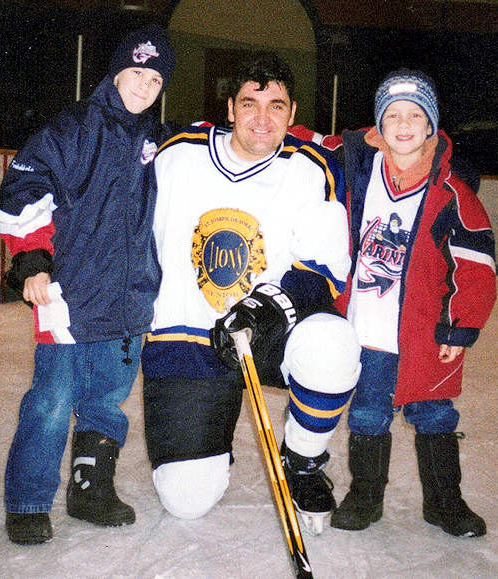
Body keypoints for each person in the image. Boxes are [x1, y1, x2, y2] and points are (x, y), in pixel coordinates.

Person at [141, 53, 361, 535]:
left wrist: (267, 309)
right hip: (187, 340)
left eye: (276, 106)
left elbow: (323, 267)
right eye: (250, 103)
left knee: (333, 341)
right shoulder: (176, 152)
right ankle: (209, 437)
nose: (263, 118)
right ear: (230, 108)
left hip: (263, 331)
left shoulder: (310, 168)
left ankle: (302, 461)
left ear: (293, 112)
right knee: (186, 500)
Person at [291, 69, 496, 537]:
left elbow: (476, 265)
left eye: (415, 115)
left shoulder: (451, 192)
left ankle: (446, 502)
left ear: (431, 126)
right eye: (393, 116)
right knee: (367, 413)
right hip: (367, 330)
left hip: (425, 333)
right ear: (379, 127)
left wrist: (459, 327)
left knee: (436, 414)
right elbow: (308, 140)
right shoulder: (360, 168)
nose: (403, 125)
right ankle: (365, 497)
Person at [0, 25, 176, 545]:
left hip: (128, 303)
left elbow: (226, 144)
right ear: (116, 71)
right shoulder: (72, 128)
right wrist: (32, 263)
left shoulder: (157, 140)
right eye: (136, 72)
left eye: (155, 78)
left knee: (105, 403)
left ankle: (90, 490)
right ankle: (28, 499)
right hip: (67, 300)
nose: (144, 85)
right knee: (51, 401)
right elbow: (24, 184)